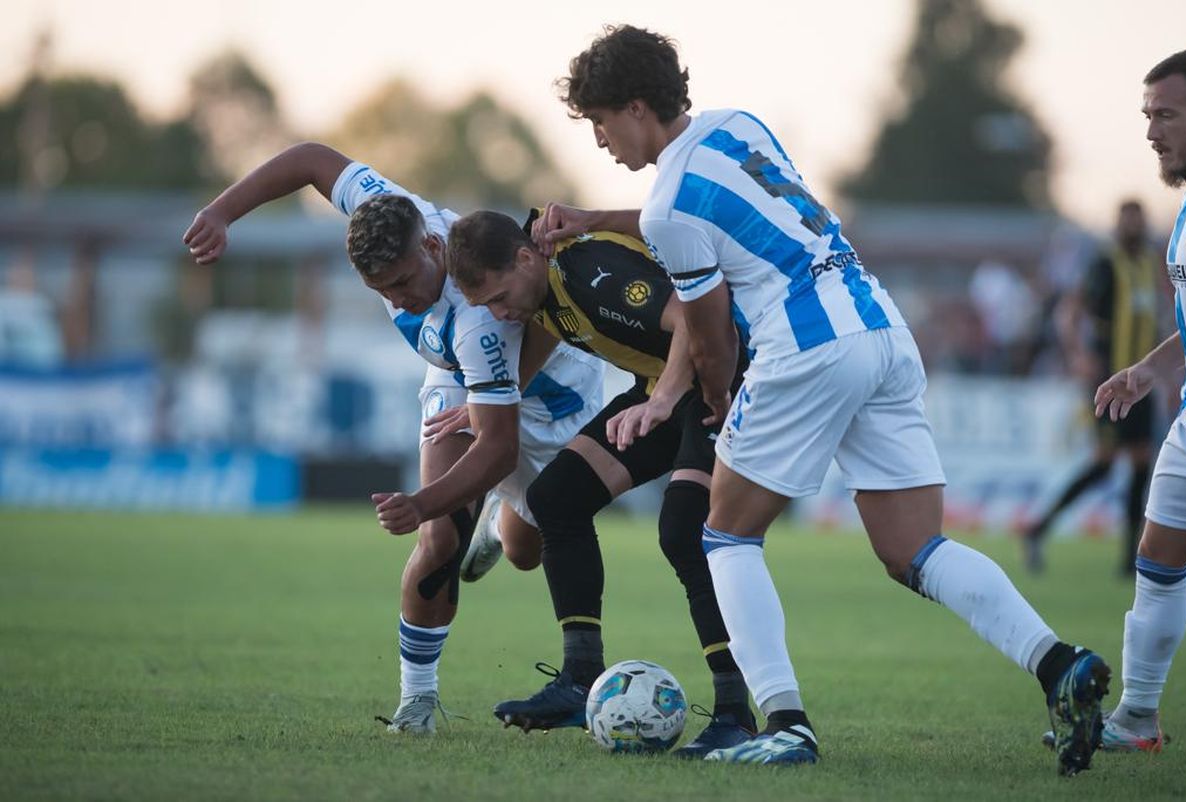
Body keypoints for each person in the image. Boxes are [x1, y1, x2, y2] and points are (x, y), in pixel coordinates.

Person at [541, 25, 1110, 774]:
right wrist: (593, 220)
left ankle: (785, 724)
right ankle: (1056, 663)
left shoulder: (667, 209)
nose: (601, 140)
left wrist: (705, 402)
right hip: (879, 327)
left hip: (805, 348)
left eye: (601, 121)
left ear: (638, 106)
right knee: (913, 550)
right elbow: (706, 218)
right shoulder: (737, 127)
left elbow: (713, 338)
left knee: (725, 538)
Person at [182, 142, 604, 734]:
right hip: (464, 380)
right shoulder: (389, 212)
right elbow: (308, 159)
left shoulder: (478, 318)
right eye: (383, 291)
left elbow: (498, 446)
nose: (400, 300)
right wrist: (223, 212)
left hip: (554, 400)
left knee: (525, 550)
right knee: (439, 541)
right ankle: (418, 701)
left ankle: (500, 519)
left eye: (405, 282)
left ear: (433, 247)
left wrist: (419, 501)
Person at [442, 208, 755, 756]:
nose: (499, 314)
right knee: (553, 499)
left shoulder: (587, 271)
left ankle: (735, 713)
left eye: (498, 296)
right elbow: (543, 331)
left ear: (524, 257)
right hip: (676, 385)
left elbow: (694, 319)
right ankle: (580, 676)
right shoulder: (542, 291)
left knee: (684, 530)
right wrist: (496, 396)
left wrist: (659, 402)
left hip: (733, 377)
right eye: (485, 306)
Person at [1090, 49, 1186, 753]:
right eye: (1148, 115)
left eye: (1167, 114)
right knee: (1156, 565)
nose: (1153, 130)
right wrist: (1148, 369)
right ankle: (1136, 718)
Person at [1025, 200, 1162, 576]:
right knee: (1104, 463)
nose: (1134, 227)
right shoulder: (1104, 263)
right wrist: (1078, 355)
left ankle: (1128, 561)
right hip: (1109, 378)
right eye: (1128, 221)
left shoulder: (1150, 264)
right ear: (1119, 225)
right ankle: (1038, 528)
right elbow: (1070, 310)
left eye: (1138, 220)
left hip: (1142, 384)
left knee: (1140, 464)